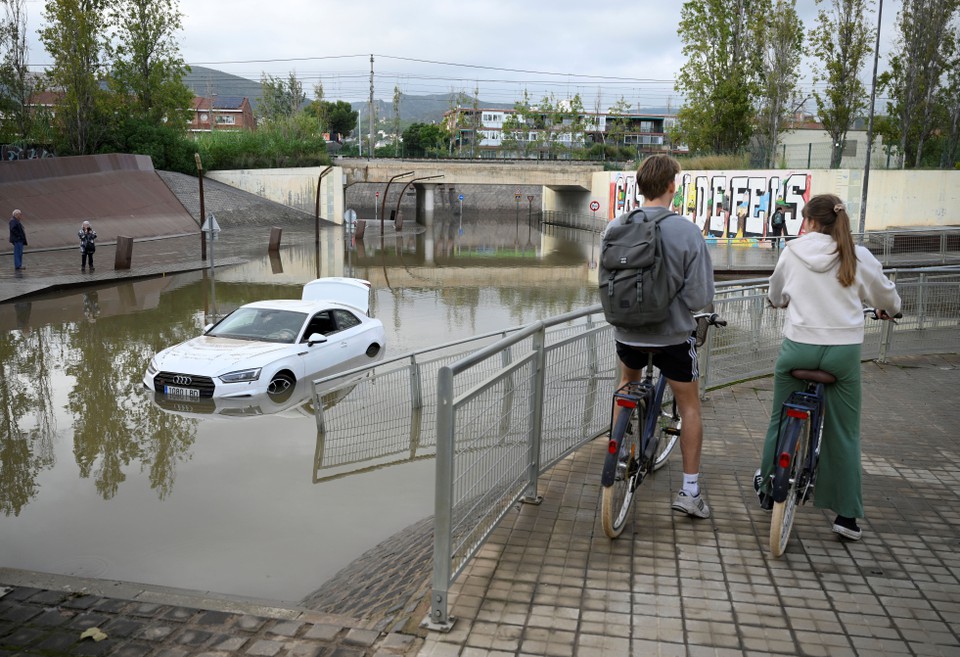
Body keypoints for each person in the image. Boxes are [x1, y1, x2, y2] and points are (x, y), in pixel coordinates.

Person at [754, 194, 901, 541]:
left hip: (797, 350)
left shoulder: (792, 251)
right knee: (844, 432)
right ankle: (846, 516)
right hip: (842, 354)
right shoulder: (857, 255)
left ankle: (767, 485)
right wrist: (890, 311)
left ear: (810, 222)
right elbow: (887, 298)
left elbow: (776, 294)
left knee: (779, 416)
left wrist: (780, 301)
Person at [608, 154, 716, 518]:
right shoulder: (687, 231)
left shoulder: (615, 227)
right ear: (673, 186)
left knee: (626, 382)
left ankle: (622, 449)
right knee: (689, 406)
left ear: (640, 187)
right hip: (672, 337)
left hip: (628, 333)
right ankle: (689, 492)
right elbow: (700, 297)